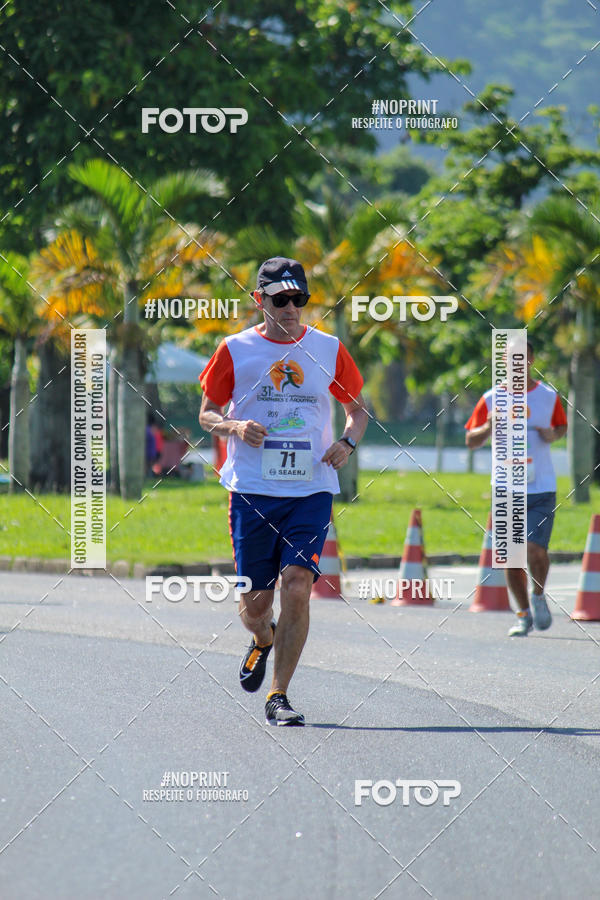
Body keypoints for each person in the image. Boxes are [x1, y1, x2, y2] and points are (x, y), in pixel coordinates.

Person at [199, 257, 368, 724]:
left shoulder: (329, 348)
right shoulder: (235, 349)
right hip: (252, 490)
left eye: (299, 299)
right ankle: (261, 638)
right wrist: (232, 425)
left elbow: (358, 410)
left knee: (297, 586)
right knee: (256, 606)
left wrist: (346, 442)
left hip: (311, 490)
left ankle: (279, 695)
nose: (292, 308)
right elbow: (206, 412)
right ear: (260, 300)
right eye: (281, 299)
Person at [465, 340, 567, 636]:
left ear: (532, 360)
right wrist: (488, 426)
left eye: (521, 359)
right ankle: (523, 615)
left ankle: (538, 595)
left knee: (535, 550)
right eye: (510, 359)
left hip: (541, 487)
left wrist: (553, 435)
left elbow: (561, 428)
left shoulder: (548, 397)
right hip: (505, 488)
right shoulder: (491, 397)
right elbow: (471, 441)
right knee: (510, 557)